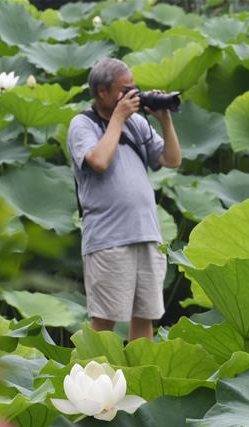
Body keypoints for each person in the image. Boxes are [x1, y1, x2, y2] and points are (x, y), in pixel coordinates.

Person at [67, 57, 181, 341]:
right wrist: (117, 118)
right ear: (102, 92)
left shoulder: (138, 124)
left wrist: (164, 117)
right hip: (109, 239)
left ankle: (139, 382)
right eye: (124, 89)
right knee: (104, 321)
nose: (132, 94)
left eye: (134, 88)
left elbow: (172, 159)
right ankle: (88, 382)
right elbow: (99, 161)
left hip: (146, 234)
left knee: (145, 319)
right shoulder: (83, 124)